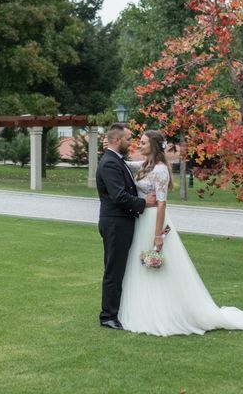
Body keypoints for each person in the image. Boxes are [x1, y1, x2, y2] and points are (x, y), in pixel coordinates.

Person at [118, 130, 243, 336]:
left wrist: (158, 234)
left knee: (159, 268)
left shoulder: (160, 170)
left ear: (153, 145)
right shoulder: (145, 165)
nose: (138, 145)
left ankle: (165, 314)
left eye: (142, 143)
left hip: (153, 221)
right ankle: (146, 309)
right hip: (142, 220)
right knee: (141, 267)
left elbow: (162, 204)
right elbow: (123, 165)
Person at [96, 123, 157, 330]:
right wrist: (144, 204)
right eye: (128, 139)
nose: (131, 143)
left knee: (120, 268)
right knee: (114, 269)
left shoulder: (117, 160)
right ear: (117, 140)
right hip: (115, 223)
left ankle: (116, 311)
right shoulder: (110, 163)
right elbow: (119, 196)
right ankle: (108, 316)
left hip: (121, 222)